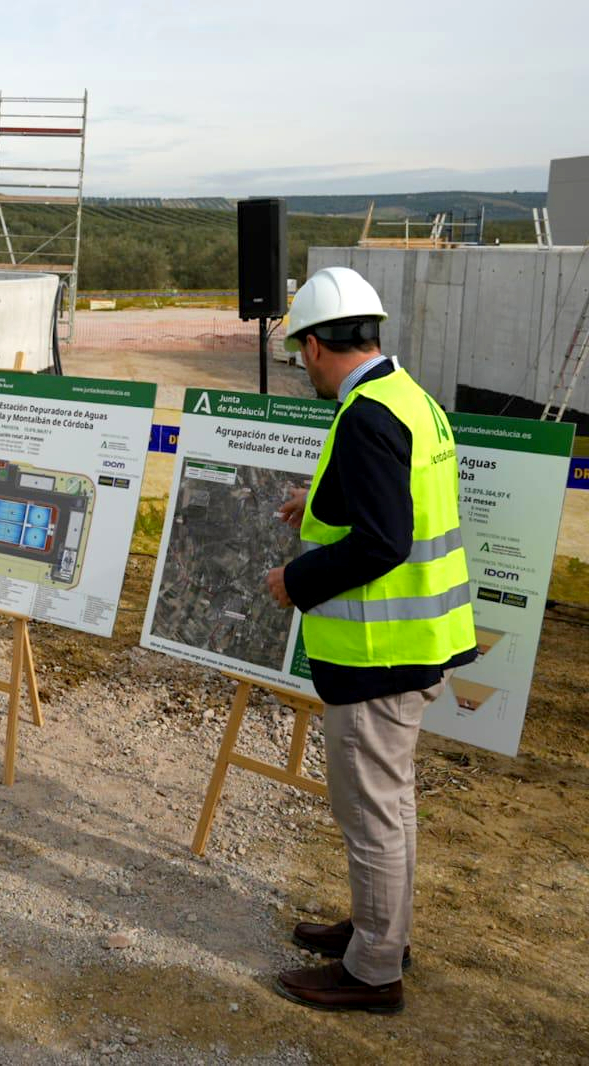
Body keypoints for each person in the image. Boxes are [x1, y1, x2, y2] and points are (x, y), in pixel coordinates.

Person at [265, 266, 476, 1014]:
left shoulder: (365, 415)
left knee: (372, 813)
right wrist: (314, 503)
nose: (304, 367)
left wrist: (301, 580)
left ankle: (373, 972)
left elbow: (385, 540)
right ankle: (383, 931)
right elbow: (395, 505)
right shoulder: (408, 399)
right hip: (417, 642)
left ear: (318, 345)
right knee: (393, 807)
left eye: (301, 353)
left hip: (380, 656)